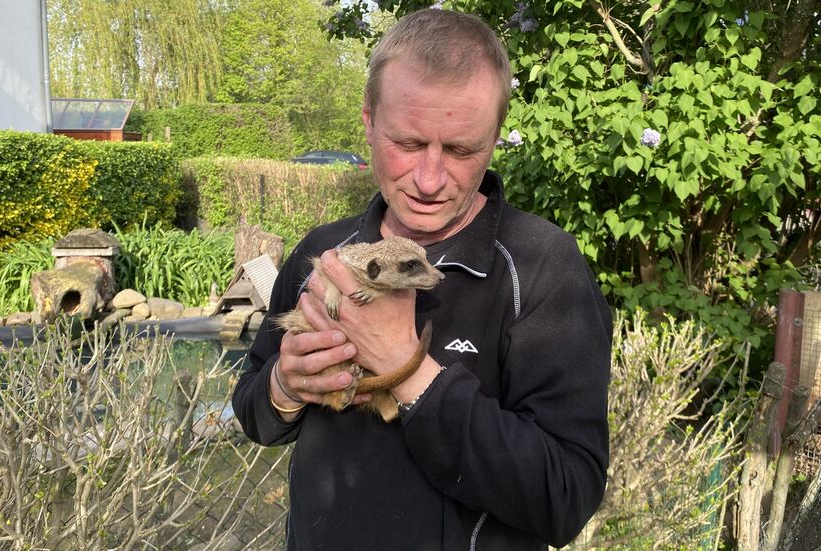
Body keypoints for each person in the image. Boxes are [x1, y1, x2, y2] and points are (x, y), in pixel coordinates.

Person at [232, 9, 611, 551]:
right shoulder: (323, 253)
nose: (430, 180)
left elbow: (566, 497)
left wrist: (406, 368)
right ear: (368, 121)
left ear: (495, 138)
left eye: (461, 149)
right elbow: (255, 412)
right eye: (408, 144)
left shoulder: (543, 267)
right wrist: (285, 387)